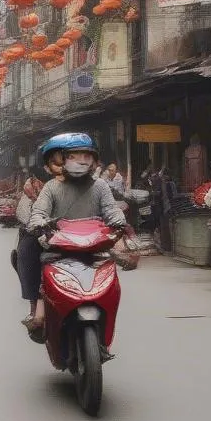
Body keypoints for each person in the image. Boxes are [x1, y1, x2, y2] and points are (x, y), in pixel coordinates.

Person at [26, 133, 132, 331]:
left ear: (93, 161)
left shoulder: (100, 186)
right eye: (74, 157)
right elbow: (39, 212)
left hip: (94, 247)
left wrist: (119, 223)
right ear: (63, 160)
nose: (80, 162)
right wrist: (38, 222)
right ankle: (39, 310)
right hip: (59, 247)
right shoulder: (51, 187)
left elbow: (111, 210)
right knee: (37, 260)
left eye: (86, 157)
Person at [15, 143, 65, 327]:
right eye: (55, 158)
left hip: (77, 232)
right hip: (43, 231)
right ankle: (34, 305)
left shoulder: (85, 181)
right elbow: (26, 213)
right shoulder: (33, 184)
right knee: (26, 252)